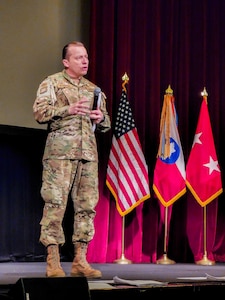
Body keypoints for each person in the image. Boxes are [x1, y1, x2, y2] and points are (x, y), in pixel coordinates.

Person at [33, 41, 111, 278]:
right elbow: (39, 113)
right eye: (78, 57)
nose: (85, 61)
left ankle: (80, 260)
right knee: (55, 205)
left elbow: (105, 124)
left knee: (87, 207)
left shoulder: (94, 90)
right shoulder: (52, 83)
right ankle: (53, 261)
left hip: (87, 155)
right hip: (60, 155)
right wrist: (67, 110)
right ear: (66, 62)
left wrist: (101, 118)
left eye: (86, 57)